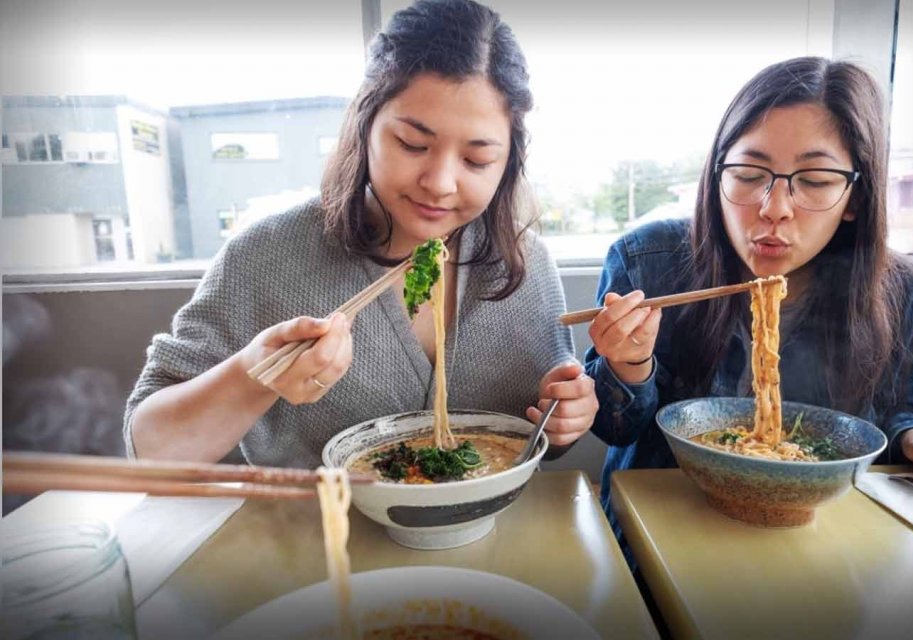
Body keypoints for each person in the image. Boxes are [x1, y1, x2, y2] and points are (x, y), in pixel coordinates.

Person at [126, 0, 597, 467]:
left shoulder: (525, 263)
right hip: (314, 533)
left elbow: (542, 441)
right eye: (412, 144)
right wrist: (254, 376)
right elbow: (151, 451)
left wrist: (567, 419)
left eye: (476, 159)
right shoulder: (265, 255)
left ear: (508, 160)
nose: (439, 182)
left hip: (493, 533)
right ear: (365, 124)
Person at [585, 56, 913, 554]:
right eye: (750, 174)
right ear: (716, 177)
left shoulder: (901, 296)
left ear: (855, 198)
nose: (774, 208)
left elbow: (899, 411)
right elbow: (613, 428)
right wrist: (629, 364)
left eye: (815, 181)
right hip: (658, 537)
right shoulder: (647, 264)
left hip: (820, 544)